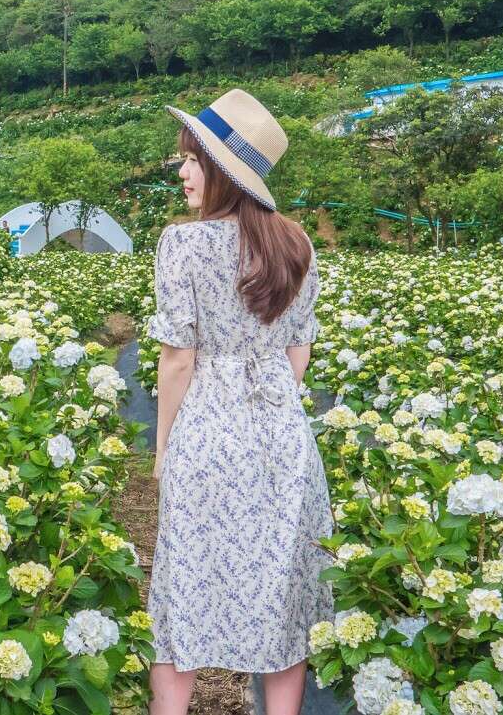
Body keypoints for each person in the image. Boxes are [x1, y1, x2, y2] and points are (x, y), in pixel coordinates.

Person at [145, 88, 334, 715]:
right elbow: (297, 359)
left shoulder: (183, 244)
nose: (182, 171)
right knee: (282, 604)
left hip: (206, 432)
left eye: (192, 160)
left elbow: (178, 359)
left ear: (223, 171)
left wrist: (163, 444)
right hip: (284, 441)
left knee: (181, 598)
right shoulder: (297, 245)